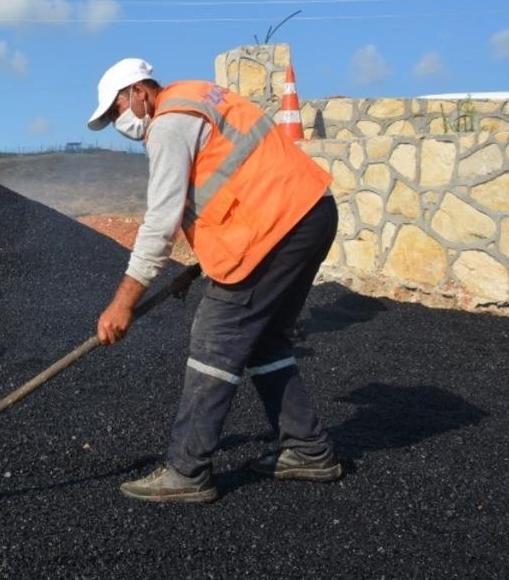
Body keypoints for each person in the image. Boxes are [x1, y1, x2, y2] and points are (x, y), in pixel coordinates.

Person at [87, 58, 341, 503]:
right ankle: (307, 449)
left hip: (279, 225)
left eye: (117, 110)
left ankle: (187, 470)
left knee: (216, 335)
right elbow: (235, 181)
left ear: (140, 92)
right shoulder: (198, 96)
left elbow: (160, 223)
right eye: (110, 117)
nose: (117, 122)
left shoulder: (168, 124)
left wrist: (123, 301)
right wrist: (197, 267)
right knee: (264, 339)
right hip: (309, 212)